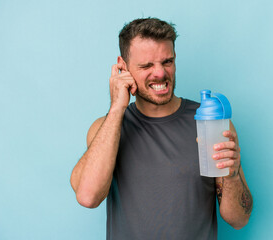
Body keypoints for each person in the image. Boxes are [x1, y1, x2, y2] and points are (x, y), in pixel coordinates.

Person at [70, 17, 252, 239]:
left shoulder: (209, 124)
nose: (160, 73)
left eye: (167, 62)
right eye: (146, 65)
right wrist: (118, 107)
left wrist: (232, 176)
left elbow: (239, 220)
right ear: (123, 67)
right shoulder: (105, 129)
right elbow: (88, 197)